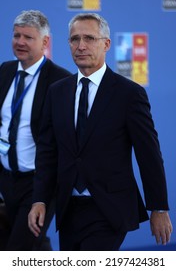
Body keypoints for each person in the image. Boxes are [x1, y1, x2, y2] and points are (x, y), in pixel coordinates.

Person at [28, 13, 172, 251]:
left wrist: (158, 208)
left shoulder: (128, 94)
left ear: (106, 44)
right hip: (68, 210)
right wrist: (40, 199)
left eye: (89, 38)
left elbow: (149, 154)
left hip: (110, 210)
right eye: (74, 39)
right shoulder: (57, 92)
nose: (81, 46)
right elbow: (47, 151)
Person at [0, 10, 71, 251]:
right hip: (6, 179)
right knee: (27, 246)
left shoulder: (60, 81)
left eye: (28, 37)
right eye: (16, 35)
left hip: (38, 184)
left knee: (17, 251)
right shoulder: (5, 71)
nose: (20, 42)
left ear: (45, 42)